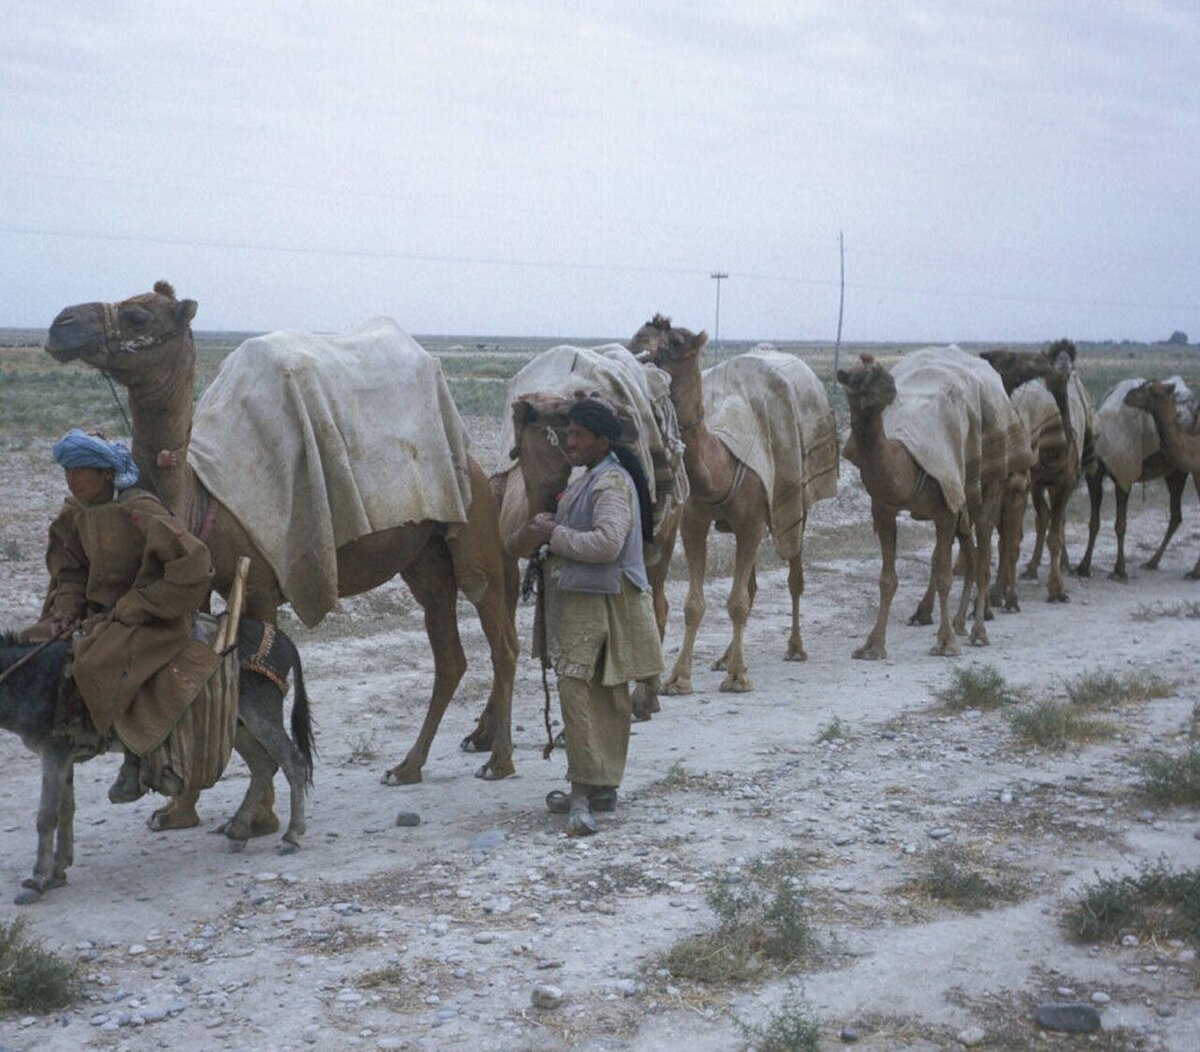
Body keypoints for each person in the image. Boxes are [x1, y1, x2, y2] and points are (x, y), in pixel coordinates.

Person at [27, 429, 219, 802]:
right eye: (67, 472)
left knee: (96, 661)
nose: (72, 480)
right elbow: (70, 572)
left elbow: (193, 565)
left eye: (81, 471)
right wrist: (65, 611)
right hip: (98, 615)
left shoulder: (140, 510)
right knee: (30, 645)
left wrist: (142, 603)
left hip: (153, 617)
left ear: (105, 473)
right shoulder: (75, 515)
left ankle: (136, 754)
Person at [524, 398, 663, 835]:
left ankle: (582, 796)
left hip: (599, 604)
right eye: (568, 435)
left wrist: (555, 534)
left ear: (602, 440)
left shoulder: (609, 485)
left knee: (580, 695)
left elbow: (607, 545)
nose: (570, 442)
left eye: (578, 436)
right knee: (603, 696)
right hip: (593, 600)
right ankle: (602, 786)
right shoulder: (596, 480)